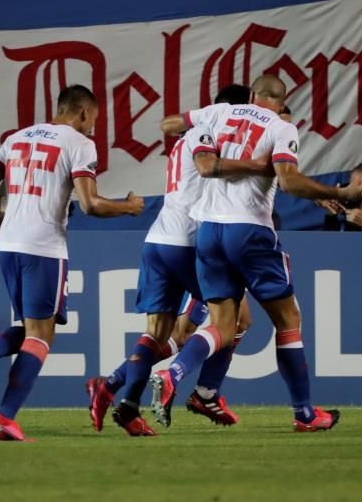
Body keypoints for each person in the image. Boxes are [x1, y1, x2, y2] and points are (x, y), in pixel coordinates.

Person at [151, 74, 362, 432]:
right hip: (249, 231)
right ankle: (304, 414)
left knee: (224, 324)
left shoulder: (221, 112)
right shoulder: (282, 127)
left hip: (208, 231)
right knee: (288, 320)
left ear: (251, 95)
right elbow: (288, 180)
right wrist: (342, 194)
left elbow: (171, 124)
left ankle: (174, 373)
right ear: (281, 103)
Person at [0, 84, 144, 441]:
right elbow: (90, 204)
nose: (93, 128)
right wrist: (128, 207)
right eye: (93, 120)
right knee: (42, 337)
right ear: (83, 113)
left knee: (32, 331)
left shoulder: (15, 138)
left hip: (8, 245)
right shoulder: (79, 143)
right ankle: (2, 417)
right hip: (43, 245)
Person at [85, 85, 259, 436]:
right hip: (192, 244)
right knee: (237, 320)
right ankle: (198, 388)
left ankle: (121, 396)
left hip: (160, 240)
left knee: (163, 334)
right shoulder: (207, 134)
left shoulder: (185, 138)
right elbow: (212, 170)